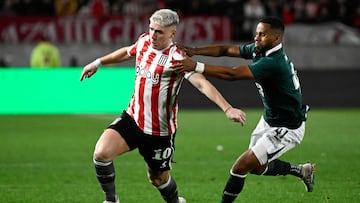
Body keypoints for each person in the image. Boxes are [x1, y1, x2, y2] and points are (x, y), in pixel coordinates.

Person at [80, 9, 246, 203]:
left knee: (157, 179)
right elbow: (126, 52)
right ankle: (111, 200)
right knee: (101, 154)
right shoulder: (143, 42)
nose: (152, 35)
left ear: (172, 34)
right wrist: (98, 62)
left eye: (159, 31)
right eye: (151, 29)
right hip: (133, 118)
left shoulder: (177, 58)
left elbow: (201, 83)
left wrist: (227, 108)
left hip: (159, 132)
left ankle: (175, 201)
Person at [171, 16, 315, 203]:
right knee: (256, 167)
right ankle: (302, 171)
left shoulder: (273, 62)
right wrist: (195, 51)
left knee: (240, 167)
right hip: (270, 120)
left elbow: (233, 74)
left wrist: (196, 66)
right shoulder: (260, 50)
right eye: (256, 33)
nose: (256, 38)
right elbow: (225, 49)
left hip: (288, 127)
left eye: (262, 34)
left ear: (276, 39)